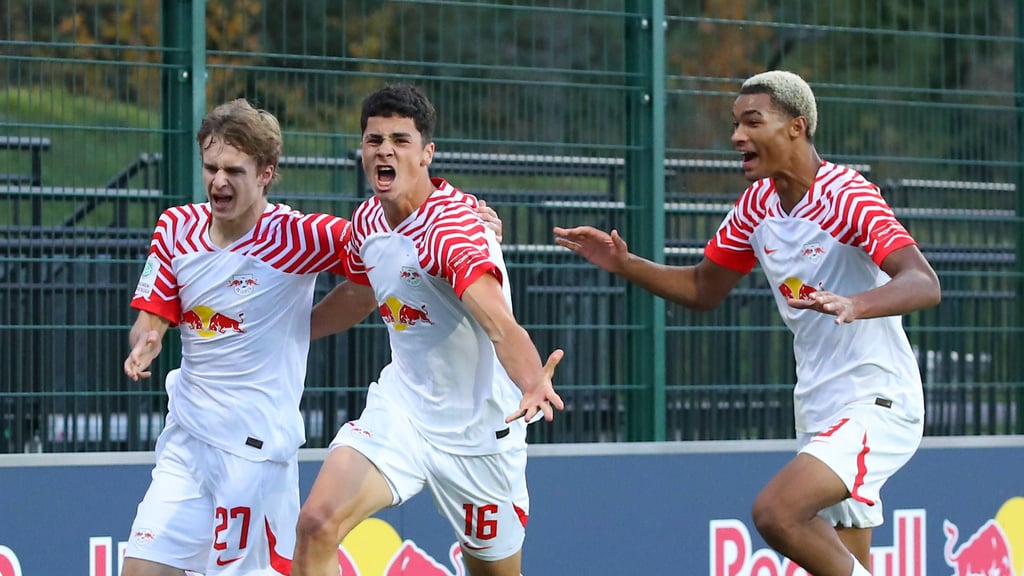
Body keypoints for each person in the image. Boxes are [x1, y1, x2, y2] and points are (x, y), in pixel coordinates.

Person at [554, 70, 940, 576]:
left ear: (797, 128)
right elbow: (701, 289)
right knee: (846, 562)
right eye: (735, 123)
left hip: (879, 398)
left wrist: (856, 304)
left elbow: (923, 282)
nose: (737, 136)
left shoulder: (847, 194)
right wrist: (626, 264)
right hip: (818, 403)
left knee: (776, 512)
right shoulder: (755, 207)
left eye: (752, 122)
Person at [121, 98, 504, 576]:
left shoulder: (298, 235)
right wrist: (148, 339)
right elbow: (151, 314)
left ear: (265, 173)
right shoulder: (175, 228)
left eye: (234, 171)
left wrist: (469, 220)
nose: (219, 181)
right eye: (211, 167)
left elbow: (392, 239)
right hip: (186, 441)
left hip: (253, 455)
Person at [291, 83, 564, 576]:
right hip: (404, 413)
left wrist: (532, 381)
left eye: (400, 139)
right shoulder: (369, 221)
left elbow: (500, 324)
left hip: (482, 435)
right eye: (374, 140)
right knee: (315, 523)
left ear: (426, 154)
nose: (385, 150)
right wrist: (291, 333)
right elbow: (359, 292)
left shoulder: (450, 229)